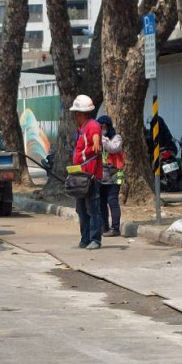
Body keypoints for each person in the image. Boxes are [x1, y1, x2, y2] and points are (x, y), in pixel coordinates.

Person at [70, 94, 102, 249]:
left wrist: (96, 141)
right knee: (81, 209)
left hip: (90, 176)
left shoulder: (92, 125)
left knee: (92, 208)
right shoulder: (81, 129)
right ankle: (85, 238)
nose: (75, 115)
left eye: (76, 112)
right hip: (79, 176)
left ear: (81, 113)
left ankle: (95, 239)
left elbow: (96, 134)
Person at [98, 113, 124, 236]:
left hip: (113, 175)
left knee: (112, 201)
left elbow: (113, 148)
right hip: (101, 175)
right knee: (102, 202)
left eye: (103, 127)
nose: (101, 129)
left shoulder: (116, 138)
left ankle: (115, 228)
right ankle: (104, 227)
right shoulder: (97, 139)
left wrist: (103, 139)